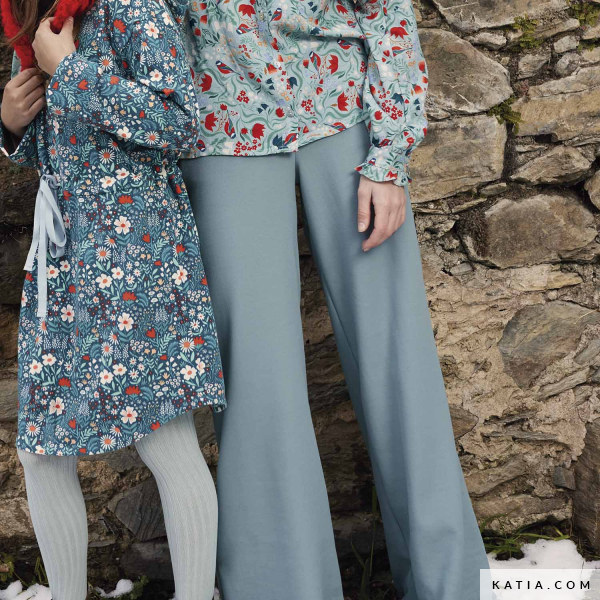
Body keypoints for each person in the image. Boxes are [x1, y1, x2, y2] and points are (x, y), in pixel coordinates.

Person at [178, 0, 491, 598]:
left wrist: (389, 156)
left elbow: (388, 12)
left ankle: (453, 584)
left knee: (398, 357)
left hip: (340, 108)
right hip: (216, 125)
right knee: (255, 378)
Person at [0, 0, 226, 598]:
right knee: (41, 449)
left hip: (136, 251)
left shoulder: (134, 5)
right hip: (64, 258)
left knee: (165, 439)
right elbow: (58, 144)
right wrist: (12, 127)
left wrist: (74, 71)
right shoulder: (33, 21)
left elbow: (179, 123)